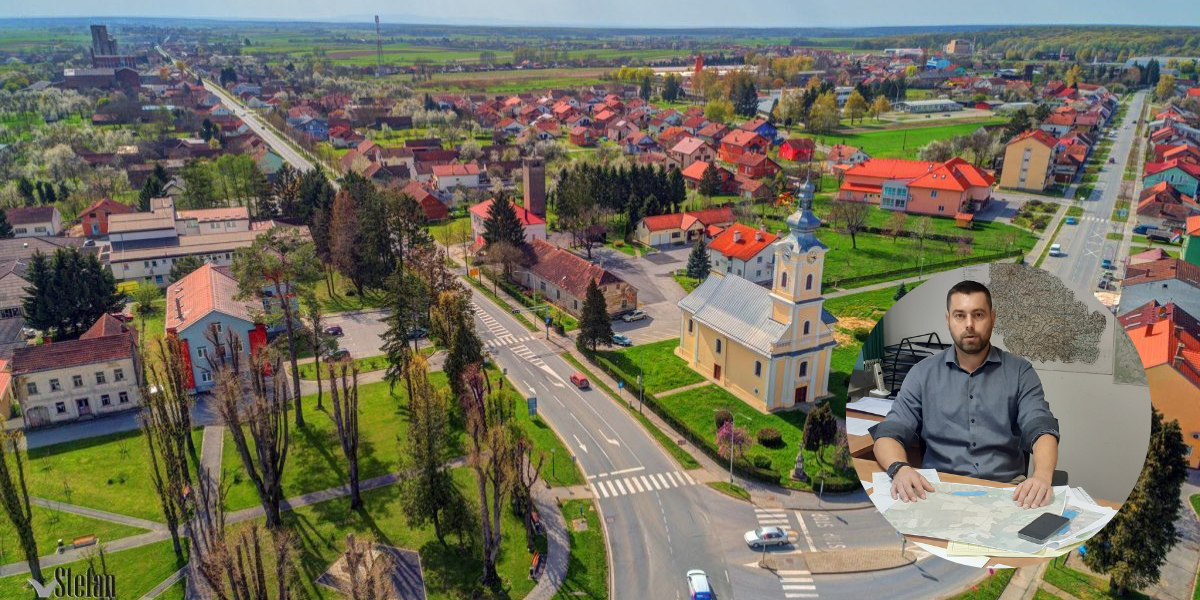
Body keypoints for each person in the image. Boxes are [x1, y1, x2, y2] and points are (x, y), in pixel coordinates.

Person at [871, 280, 1060, 509]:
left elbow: (1041, 429)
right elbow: (888, 434)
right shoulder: (922, 374)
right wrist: (900, 468)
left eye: (978, 315)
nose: (969, 324)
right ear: (948, 319)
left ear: (992, 318)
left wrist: (1041, 476)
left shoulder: (1020, 372)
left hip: (1007, 493)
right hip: (937, 492)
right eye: (960, 315)